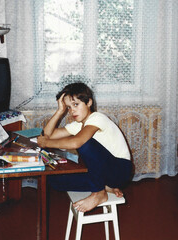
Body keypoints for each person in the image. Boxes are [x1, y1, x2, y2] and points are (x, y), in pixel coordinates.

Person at [37, 82, 132, 212]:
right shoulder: (77, 125)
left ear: (88, 103)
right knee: (54, 181)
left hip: (120, 170)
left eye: (76, 104)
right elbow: (48, 134)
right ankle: (105, 186)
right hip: (103, 174)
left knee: (85, 143)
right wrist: (60, 111)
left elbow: (76, 142)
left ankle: (99, 193)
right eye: (69, 107)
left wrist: (46, 143)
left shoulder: (97, 118)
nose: (72, 111)